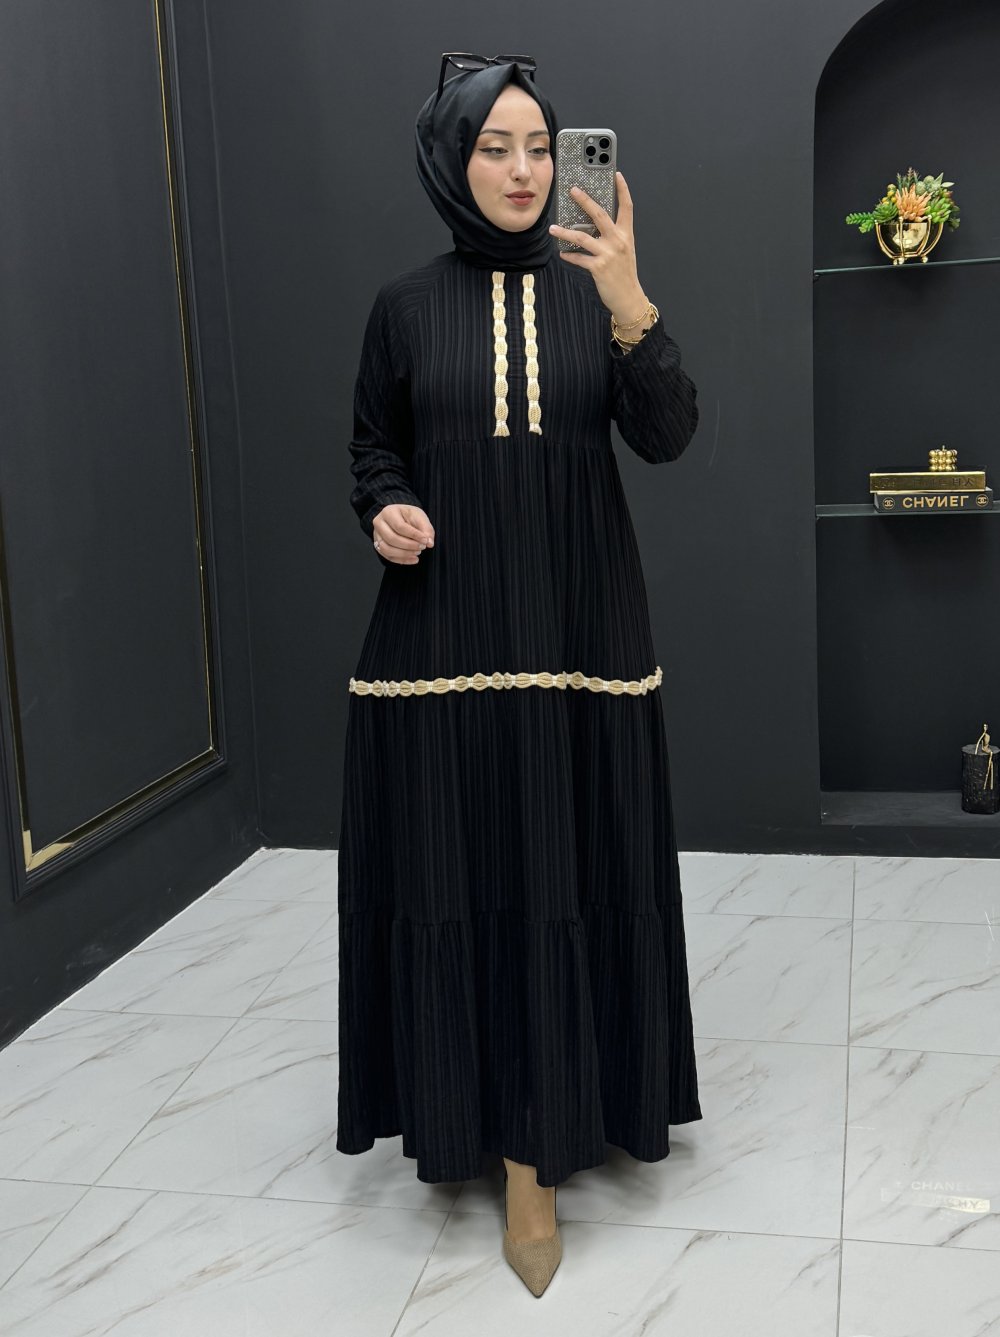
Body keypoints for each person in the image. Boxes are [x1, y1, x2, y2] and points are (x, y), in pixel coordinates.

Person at [337, 53, 703, 1298]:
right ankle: (475, 1125)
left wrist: (631, 296)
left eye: (538, 146)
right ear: (451, 158)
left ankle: (554, 1138)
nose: (521, 168)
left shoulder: (596, 291)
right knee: (461, 869)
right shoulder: (402, 306)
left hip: (578, 636)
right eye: (493, 145)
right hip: (441, 642)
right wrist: (385, 510)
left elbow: (668, 433)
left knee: (566, 866)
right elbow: (372, 449)